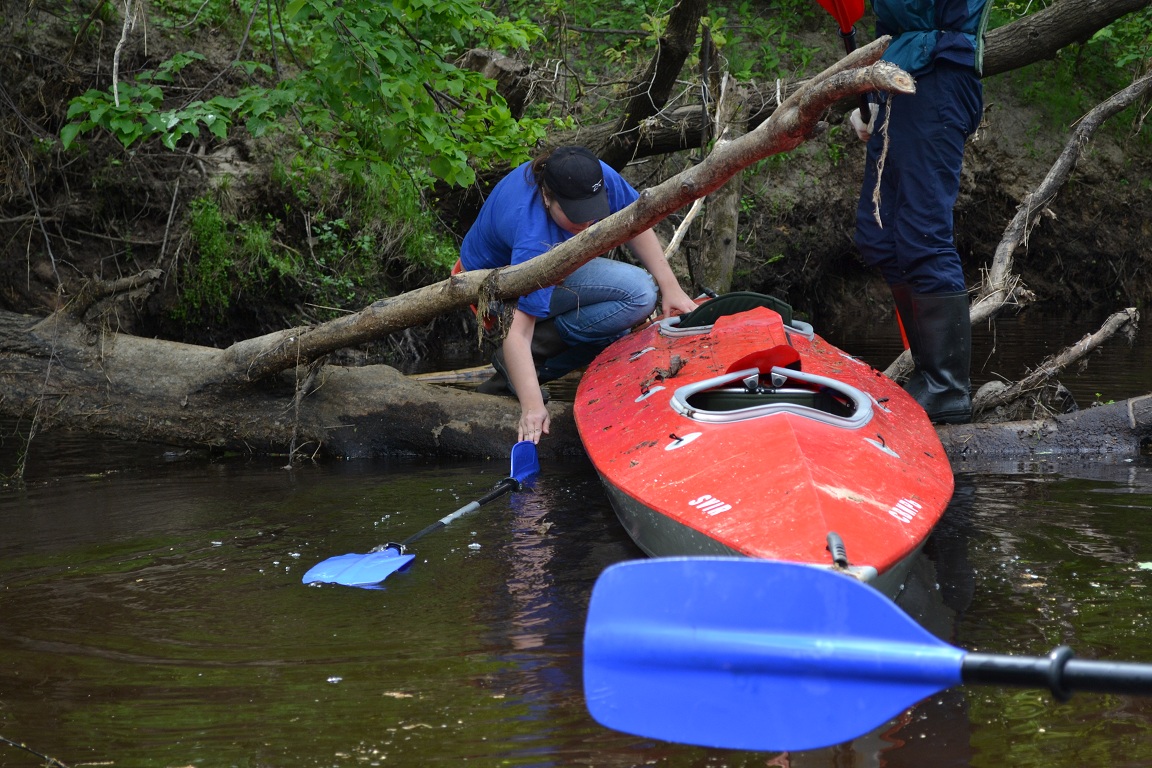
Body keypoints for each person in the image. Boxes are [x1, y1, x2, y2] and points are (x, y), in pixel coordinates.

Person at [460, 145, 697, 444]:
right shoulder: (534, 238)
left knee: (620, 321)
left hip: (546, 262)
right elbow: (516, 332)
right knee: (637, 295)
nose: (586, 224)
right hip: (492, 288)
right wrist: (532, 407)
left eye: (591, 213)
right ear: (547, 197)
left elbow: (636, 221)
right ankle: (526, 363)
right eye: (576, 216)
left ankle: (527, 363)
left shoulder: (589, 175)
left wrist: (671, 288)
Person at [849, 0, 991, 425]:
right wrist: (872, 95)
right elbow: (894, 20)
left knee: (922, 235)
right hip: (899, 78)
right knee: (879, 236)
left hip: (940, 77)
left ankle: (946, 387)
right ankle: (928, 376)